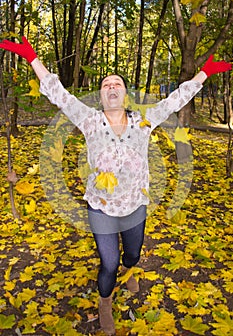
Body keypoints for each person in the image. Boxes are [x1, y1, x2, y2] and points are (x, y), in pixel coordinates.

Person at [0, 36, 231, 336]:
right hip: (101, 207)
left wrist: (204, 73)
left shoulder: (144, 121)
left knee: (131, 256)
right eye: (106, 83)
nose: (111, 86)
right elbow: (59, 94)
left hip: (136, 205)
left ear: (124, 94)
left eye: (117, 83)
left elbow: (175, 99)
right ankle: (105, 303)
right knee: (108, 263)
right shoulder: (89, 120)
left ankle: (130, 268)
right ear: (101, 93)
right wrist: (31, 56)